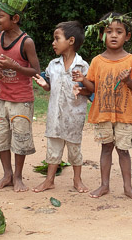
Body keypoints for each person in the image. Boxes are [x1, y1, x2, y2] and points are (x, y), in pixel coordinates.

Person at [73, 12, 132, 200]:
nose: (113, 35)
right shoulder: (97, 61)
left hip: (124, 115)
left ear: (127, 36)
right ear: (102, 34)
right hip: (102, 114)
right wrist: (83, 80)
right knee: (105, 149)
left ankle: (128, 187)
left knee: (123, 151)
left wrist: (128, 80)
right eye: (109, 31)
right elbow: (93, 87)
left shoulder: (131, 61)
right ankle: (104, 185)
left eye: (119, 32)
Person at [0, 0, 40, 192]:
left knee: (20, 138)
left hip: (21, 100)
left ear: (15, 18)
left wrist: (15, 66)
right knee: (0, 136)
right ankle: (7, 175)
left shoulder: (26, 42)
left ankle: (18, 176)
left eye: (1, 16)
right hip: (1, 98)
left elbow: (36, 71)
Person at [32, 21, 90, 193]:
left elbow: (90, 90)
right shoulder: (52, 65)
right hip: (55, 116)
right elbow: (50, 85)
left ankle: (77, 179)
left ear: (71, 41)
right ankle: (49, 180)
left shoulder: (82, 66)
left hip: (74, 116)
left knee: (74, 150)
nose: (53, 42)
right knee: (53, 149)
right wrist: (44, 85)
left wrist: (82, 87)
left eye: (57, 39)